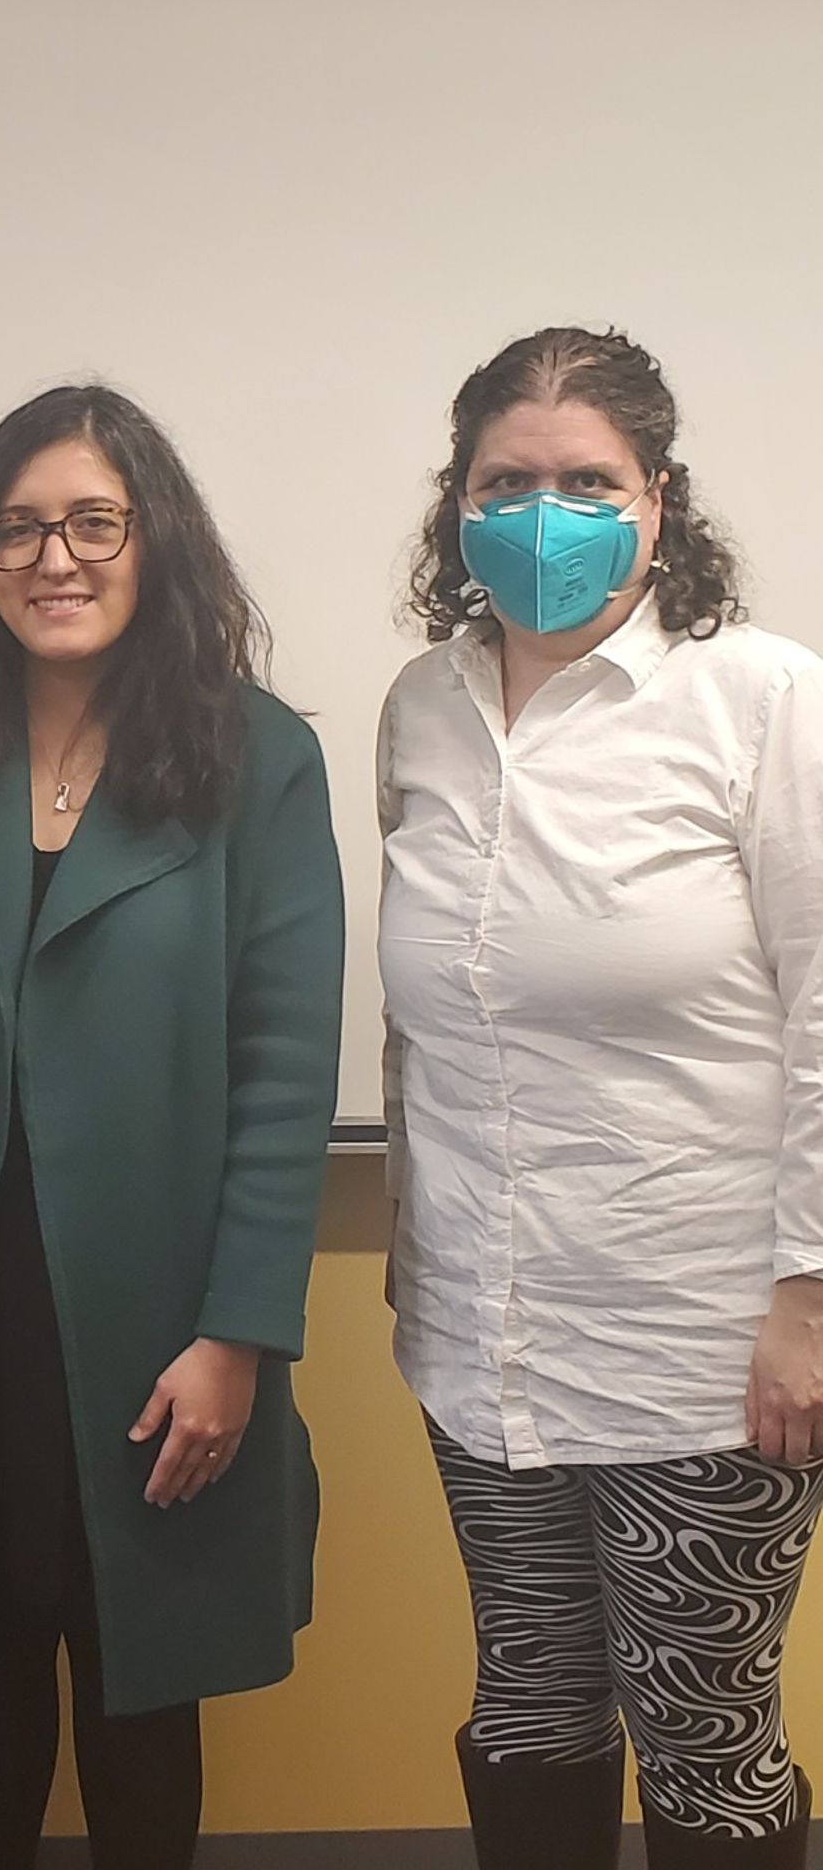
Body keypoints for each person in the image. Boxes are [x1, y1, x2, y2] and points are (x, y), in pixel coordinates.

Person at [0, 383, 345, 1869]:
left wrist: (239, 1333)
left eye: (94, 522)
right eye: (19, 526)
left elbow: (290, 1071)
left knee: (138, 1677)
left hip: (158, 1314)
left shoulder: (256, 755)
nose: (57, 557)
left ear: (154, 539)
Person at [381, 326, 823, 1868]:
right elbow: (432, 1029)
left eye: (587, 482)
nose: (545, 515)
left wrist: (810, 1298)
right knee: (530, 1704)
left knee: (703, 1725)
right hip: (484, 1336)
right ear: (458, 503)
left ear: (658, 501)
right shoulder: (422, 710)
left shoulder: (762, 702)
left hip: (702, 1343)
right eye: (508, 482)